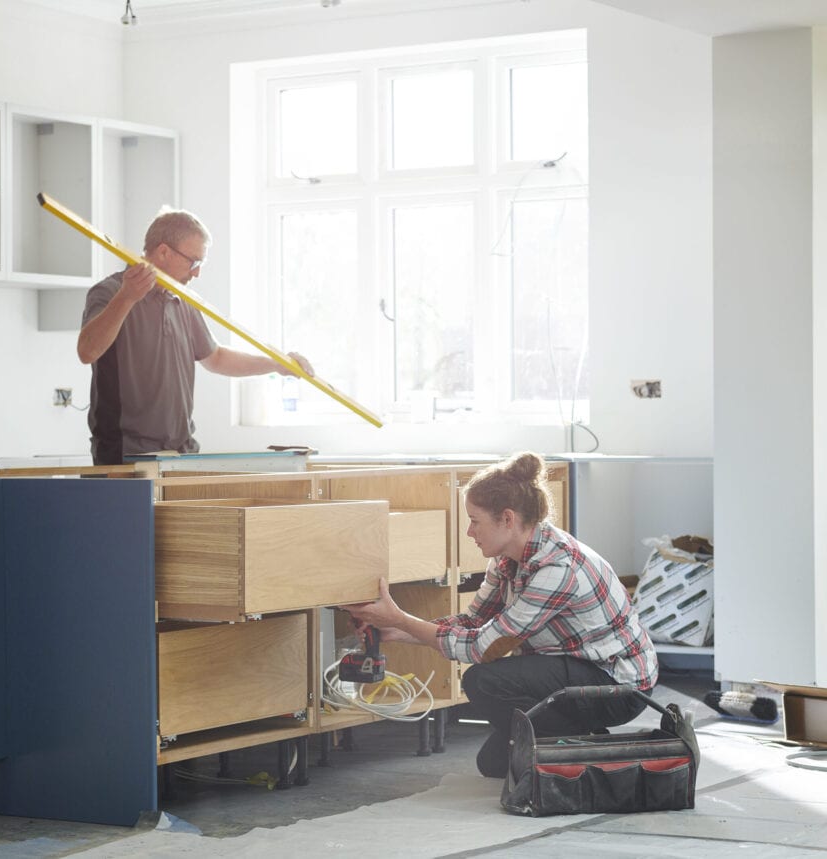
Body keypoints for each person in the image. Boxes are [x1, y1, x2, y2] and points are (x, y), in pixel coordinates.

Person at [343, 451, 658, 778]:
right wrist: (399, 632)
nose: (469, 532)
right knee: (493, 764)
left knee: (483, 680)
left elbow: (484, 648)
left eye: (475, 521)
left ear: (507, 519)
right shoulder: (509, 558)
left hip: (617, 687)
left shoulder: (557, 569)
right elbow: (472, 623)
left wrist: (400, 619)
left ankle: (579, 746)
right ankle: (571, 745)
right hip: (575, 668)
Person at [78, 207, 312, 465]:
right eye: (194, 262)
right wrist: (126, 298)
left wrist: (276, 364)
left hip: (182, 454)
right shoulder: (109, 292)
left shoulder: (183, 301)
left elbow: (217, 358)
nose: (197, 272)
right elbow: (87, 351)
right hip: (124, 457)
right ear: (164, 252)